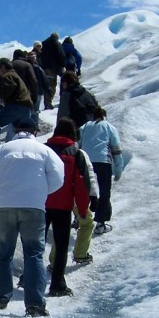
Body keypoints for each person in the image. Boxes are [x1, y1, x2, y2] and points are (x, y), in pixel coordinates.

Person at [0, 119, 64, 316]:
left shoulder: (1, 151)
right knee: (33, 254)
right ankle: (34, 305)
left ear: (15, 130)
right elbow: (58, 178)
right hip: (34, 207)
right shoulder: (44, 151)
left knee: (4, 253)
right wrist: (41, 191)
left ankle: (0, 297)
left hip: (6, 207)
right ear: (35, 131)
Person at [44, 118, 91, 297]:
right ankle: (57, 284)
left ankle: (29, 277)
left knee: (36, 244)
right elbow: (81, 183)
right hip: (63, 206)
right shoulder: (76, 153)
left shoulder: (45, 149)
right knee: (61, 245)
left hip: (42, 202)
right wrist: (83, 208)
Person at [79, 105, 124, 234]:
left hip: (86, 161)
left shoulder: (85, 127)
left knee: (84, 190)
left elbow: (78, 143)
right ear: (104, 116)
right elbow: (116, 149)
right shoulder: (109, 127)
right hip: (103, 161)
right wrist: (118, 169)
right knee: (104, 192)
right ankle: (100, 223)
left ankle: (79, 218)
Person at [0, 58, 35, 151]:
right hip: (26, 106)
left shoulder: (8, 75)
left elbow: (9, 88)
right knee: (21, 129)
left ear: (3, 67)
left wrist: (1, 98)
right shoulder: (15, 75)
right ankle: (24, 149)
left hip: (16, 105)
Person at [40, 32, 66, 109]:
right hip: (52, 69)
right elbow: (61, 55)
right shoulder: (57, 44)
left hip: (44, 68)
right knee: (51, 85)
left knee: (46, 85)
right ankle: (48, 102)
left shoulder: (43, 44)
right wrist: (62, 66)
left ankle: (46, 102)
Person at [26, 49, 50, 119]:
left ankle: (27, 125)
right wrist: (47, 89)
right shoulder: (37, 67)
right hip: (38, 91)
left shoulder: (25, 67)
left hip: (27, 91)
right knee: (36, 109)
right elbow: (44, 79)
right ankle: (34, 125)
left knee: (28, 109)